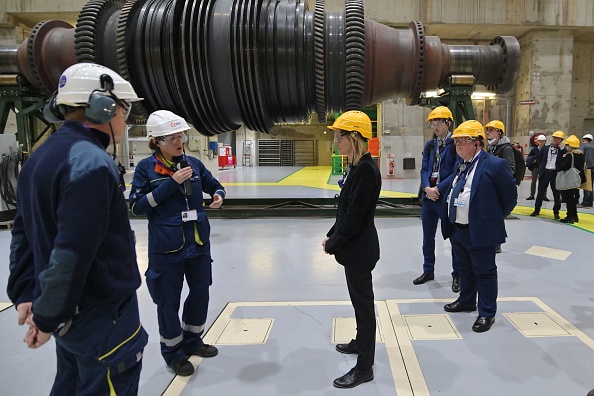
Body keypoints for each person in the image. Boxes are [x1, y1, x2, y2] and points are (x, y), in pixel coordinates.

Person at [7, 63, 148, 394]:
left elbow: (22, 233)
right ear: (105, 107)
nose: (124, 120)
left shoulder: (40, 158)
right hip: (103, 321)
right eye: (123, 109)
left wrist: (26, 292)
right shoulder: (93, 165)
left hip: (72, 325)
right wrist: (46, 317)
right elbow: (71, 254)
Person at [129, 110, 225, 377]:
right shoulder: (146, 169)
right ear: (156, 141)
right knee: (167, 302)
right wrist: (170, 184)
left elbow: (214, 184)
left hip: (198, 245)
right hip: (166, 248)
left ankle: (193, 341)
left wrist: (218, 195)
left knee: (200, 294)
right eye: (171, 138)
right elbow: (137, 206)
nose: (179, 141)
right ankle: (173, 353)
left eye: (180, 135)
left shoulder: (193, 163)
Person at [322, 110, 381, 389]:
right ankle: (360, 342)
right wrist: (331, 234)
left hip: (360, 250)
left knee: (364, 307)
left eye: (340, 136)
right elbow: (344, 212)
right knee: (359, 303)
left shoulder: (367, 171)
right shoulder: (356, 167)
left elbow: (355, 220)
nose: (336, 142)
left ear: (355, 137)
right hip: (354, 248)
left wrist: (332, 244)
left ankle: (365, 368)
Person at [441, 120, 517, 333]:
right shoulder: (461, 164)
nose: (457, 145)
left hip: (481, 230)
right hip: (459, 228)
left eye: (462, 141)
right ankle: (466, 300)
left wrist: (491, 217)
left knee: (484, 272)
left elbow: (509, 197)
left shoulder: (494, 165)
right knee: (465, 269)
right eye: (456, 141)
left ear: (477, 143)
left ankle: (487, 312)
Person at [415, 106, 461, 292]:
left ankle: (457, 275)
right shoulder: (431, 145)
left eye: (439, 122)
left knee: (453, 238)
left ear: (448, 123)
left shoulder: (454, 145)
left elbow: (456, 171)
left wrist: (438, 189)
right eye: (433, 122)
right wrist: (427, 188)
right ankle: (428, 270)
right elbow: (425, 168)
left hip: (445, 198)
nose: (435, 125)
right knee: (428, 237)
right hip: (429, 198)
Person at [531, 130, 567, 219]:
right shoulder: (545, 149)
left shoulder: (562, 150)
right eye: (554, 138)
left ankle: (556, 212)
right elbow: (540, 160)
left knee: (556, 194)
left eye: (557, 139)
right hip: (545, 173)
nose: (555, 140)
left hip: (555, 173)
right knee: (540, 193)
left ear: (561, 140)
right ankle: (536, 209)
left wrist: (562, 148)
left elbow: (566, 158)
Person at [558, 135, 586, 223]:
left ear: (570, 146)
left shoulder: (570, 156)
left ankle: (570, 216)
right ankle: (575, 215)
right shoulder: (581, 155)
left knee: (568, 198)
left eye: (567, 145)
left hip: (570, 179)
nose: (566, 147)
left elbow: (564, 167)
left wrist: (563, 158)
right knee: (573, 198)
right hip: (577, 179)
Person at [526, 134, 550, 201]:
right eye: (540, 141)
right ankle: (532, 194)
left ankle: (544, 195)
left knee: (543, 182)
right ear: (538, 141)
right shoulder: (534, 150)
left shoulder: (547, 149)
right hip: (535, 167)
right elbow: (529, 157)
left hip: (544, 168)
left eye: (543, 141)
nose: (541, 143)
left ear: (545, 141)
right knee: (533, 181)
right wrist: (532, 161)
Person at [579, 133, 594, 207]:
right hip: (593, 168)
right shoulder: (593, 147)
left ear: (584, 139)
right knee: (591, 185)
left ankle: (586, 202)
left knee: (586, 185)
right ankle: (590, 202)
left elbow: (581, 155)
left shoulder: (583, 146)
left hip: (587, 167)